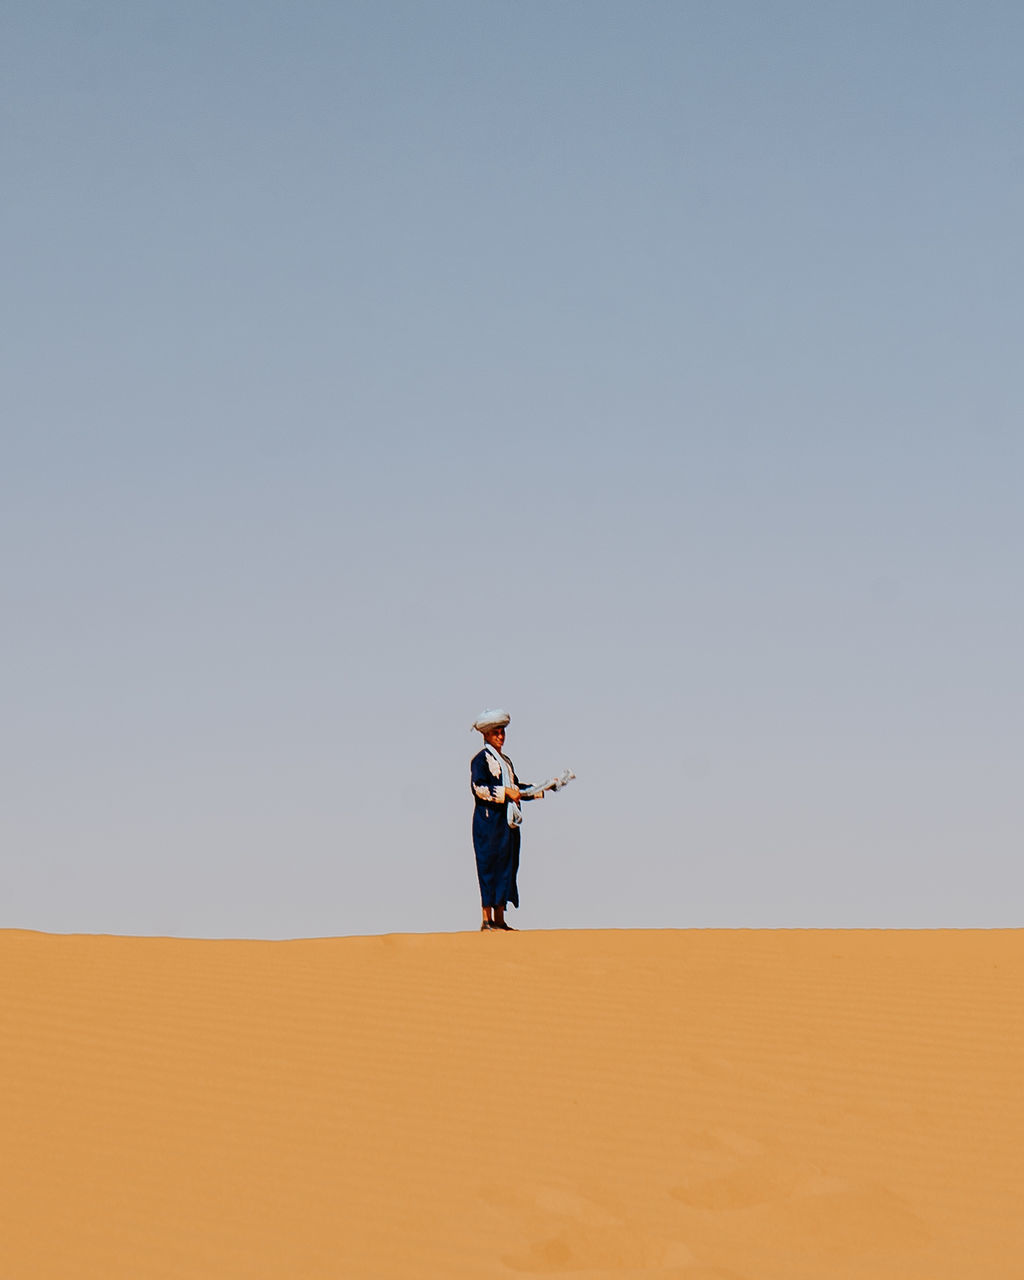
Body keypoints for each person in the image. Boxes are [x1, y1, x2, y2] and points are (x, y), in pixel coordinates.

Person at [470, 709, 543, 931]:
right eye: (496, 733)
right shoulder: (480, 760)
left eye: (502, 733)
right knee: (488, 865)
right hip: (488, 822)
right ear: (486, 735)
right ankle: (486, 918)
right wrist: (505, 793)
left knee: (506, 867)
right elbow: (479, 788)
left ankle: (500, 919)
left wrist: (537, 790)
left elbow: (516, 787)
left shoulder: (506, 762)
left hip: (506, 824)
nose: (500, 736)